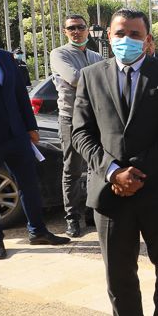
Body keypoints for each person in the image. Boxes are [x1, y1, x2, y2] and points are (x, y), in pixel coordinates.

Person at [72, 9, 158, 316]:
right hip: (110, 193)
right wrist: (113, 172)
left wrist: (138, 170)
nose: (127, 40)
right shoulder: (90, 76)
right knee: (118, 273)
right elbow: (80, 132)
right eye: (121, 33)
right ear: (108, 36)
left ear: (147, 39)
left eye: (136, 34)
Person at [0, 46, 71, 260]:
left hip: (17, 135)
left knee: (29, 184)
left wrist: (31, 127)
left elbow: (20, 94)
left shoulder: (5, 57)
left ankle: (38, 231)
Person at [50, 13, 103, 237]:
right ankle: (72, 218)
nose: (76, 31)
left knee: (95, 167)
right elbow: (74, 79)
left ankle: (91, 211)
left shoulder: (95, 55)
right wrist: (100, 78)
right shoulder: (59, 54)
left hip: (95, 118)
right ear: (65, 31)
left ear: (87, 30)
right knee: (72, 169)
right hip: (70, 118)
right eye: (71, 28)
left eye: (80, 27)